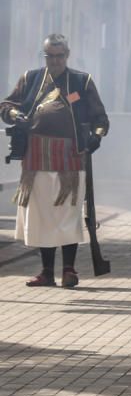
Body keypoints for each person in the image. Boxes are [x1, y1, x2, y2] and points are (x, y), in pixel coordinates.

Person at [1, 33, 109, 288]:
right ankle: (46, 272)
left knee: (67, 215)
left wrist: (96, 137)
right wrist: (16, 114)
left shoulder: (82, 82)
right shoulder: (30, 79)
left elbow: (100, 118)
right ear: (45, 56)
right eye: (50, 56)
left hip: (70, 159)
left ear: (67, 55)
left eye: (60, 56)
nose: (55, 61)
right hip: (35, 157)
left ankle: (69, 270)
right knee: (40, 216)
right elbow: (6, 104)